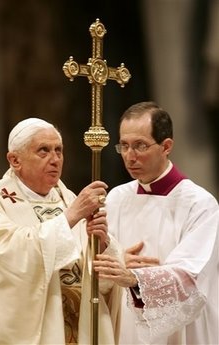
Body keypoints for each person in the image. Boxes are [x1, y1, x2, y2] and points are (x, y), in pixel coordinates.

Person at [0, 117, 123, 345]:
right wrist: (71, 217)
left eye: (58, 151)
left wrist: (100, 246)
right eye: (44, 151)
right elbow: (10, 262)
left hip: (79, 330)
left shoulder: (69, 200)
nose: (55, 159)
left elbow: (102, 280)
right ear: (15, 160)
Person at [93, 101, 219, 345]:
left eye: (140, 146)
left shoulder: (200, 204)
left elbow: (191, 276)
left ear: (166, 146)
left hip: (183, 329)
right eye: (125, 146)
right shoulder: (117, 199)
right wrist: (117, 263)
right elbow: (100, 261)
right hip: (128, 323)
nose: (130, 156)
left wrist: (135, 279)